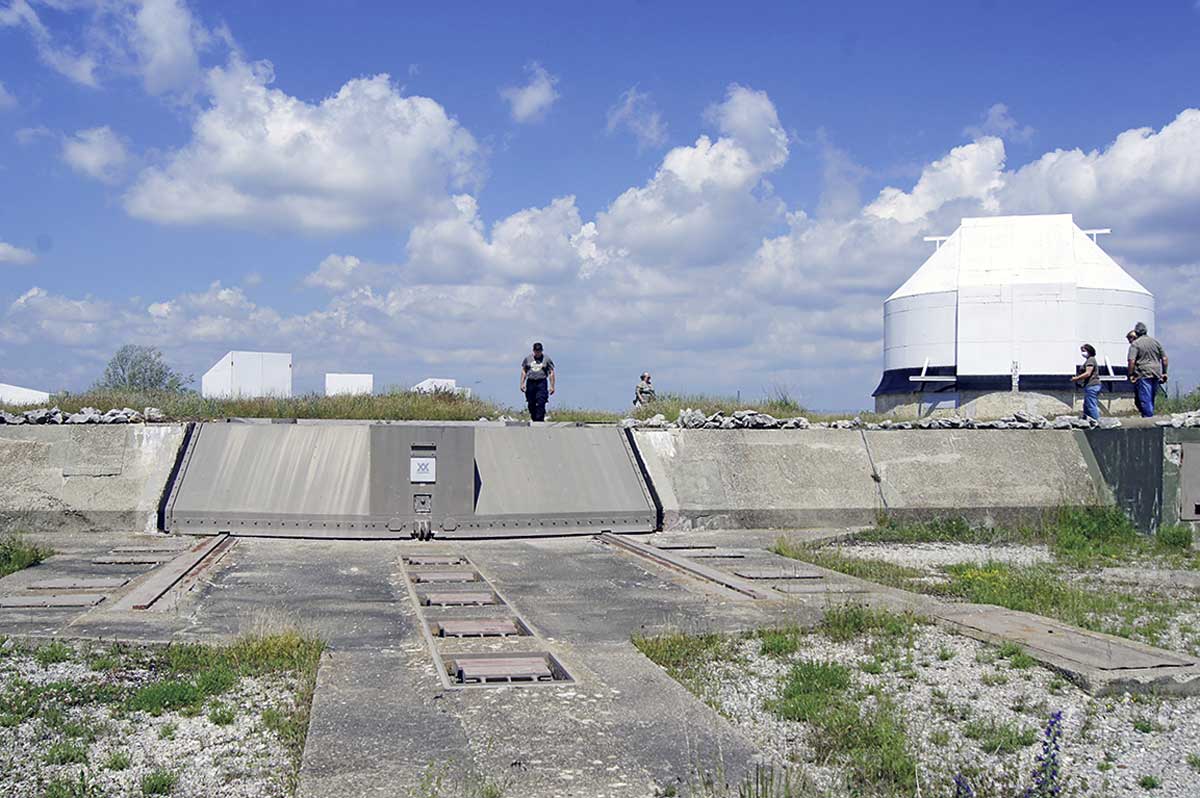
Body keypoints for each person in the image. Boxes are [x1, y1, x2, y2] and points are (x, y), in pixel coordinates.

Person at [1127, 322, 1167, 418]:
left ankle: (1148, 418)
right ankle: (1150, 415)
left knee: (1145, 397)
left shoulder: (1136, 344)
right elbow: (1164, 358)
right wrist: (1164, 372)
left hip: (1143, 372)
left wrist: (1131, 374)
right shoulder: (1155, 342)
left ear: (1136, 332)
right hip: (1156, 372)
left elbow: (1131, 361)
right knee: (1151, 396)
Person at [520, 342, 555, 422]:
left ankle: (540, 419)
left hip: (541, 382)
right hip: (531, 382)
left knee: (541, 401)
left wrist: (552, 386)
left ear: (542, 350)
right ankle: (534, 417)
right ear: (533, 351)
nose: (538, 352)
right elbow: (524, 371)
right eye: (536, 351)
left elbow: (551, 372)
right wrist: (522, 383)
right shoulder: (528, 359)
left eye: (539, 351)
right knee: (531, 402)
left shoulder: (546, 359)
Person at [1071, 343, 1101, 420]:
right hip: (1090, 385)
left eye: (1084, 351)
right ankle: (1087, 420)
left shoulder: (1090, 360)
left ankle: (1096, 421)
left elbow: (1088, 373)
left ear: (1089, 351)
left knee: (1091, 405)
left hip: (1092, 385)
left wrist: (1077, 378)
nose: (1082, 353)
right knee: (1087, 405)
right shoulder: (1089, 360)